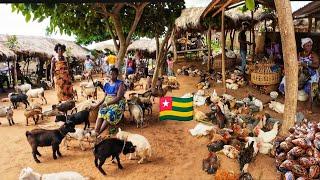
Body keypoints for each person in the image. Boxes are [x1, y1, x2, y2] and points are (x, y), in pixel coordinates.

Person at [279, 37, 319, 111]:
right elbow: (295, 62)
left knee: (313, 87)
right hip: (300, 72)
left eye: (310, 45)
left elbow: (316, 65)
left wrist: (306, 64)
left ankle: (309, 106)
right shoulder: (300, 54)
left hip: (312, 74)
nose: (310, 47)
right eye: (307, 45)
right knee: (286, 78)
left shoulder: (313, 55)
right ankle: (287, 99)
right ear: (303, 46)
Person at [95, 68, 126, 135]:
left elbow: (118, 98)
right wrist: (98, 105)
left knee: (109, 114)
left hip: (116, 103)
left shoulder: (120, 84)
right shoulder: (107, 84)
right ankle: (96, 132)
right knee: (101, 112)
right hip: (107, 102)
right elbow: (105, 97)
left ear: (117, 75)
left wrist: (106, 104)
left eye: (114, 74)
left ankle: (99, 133)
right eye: (111, 74)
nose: (112, 76)